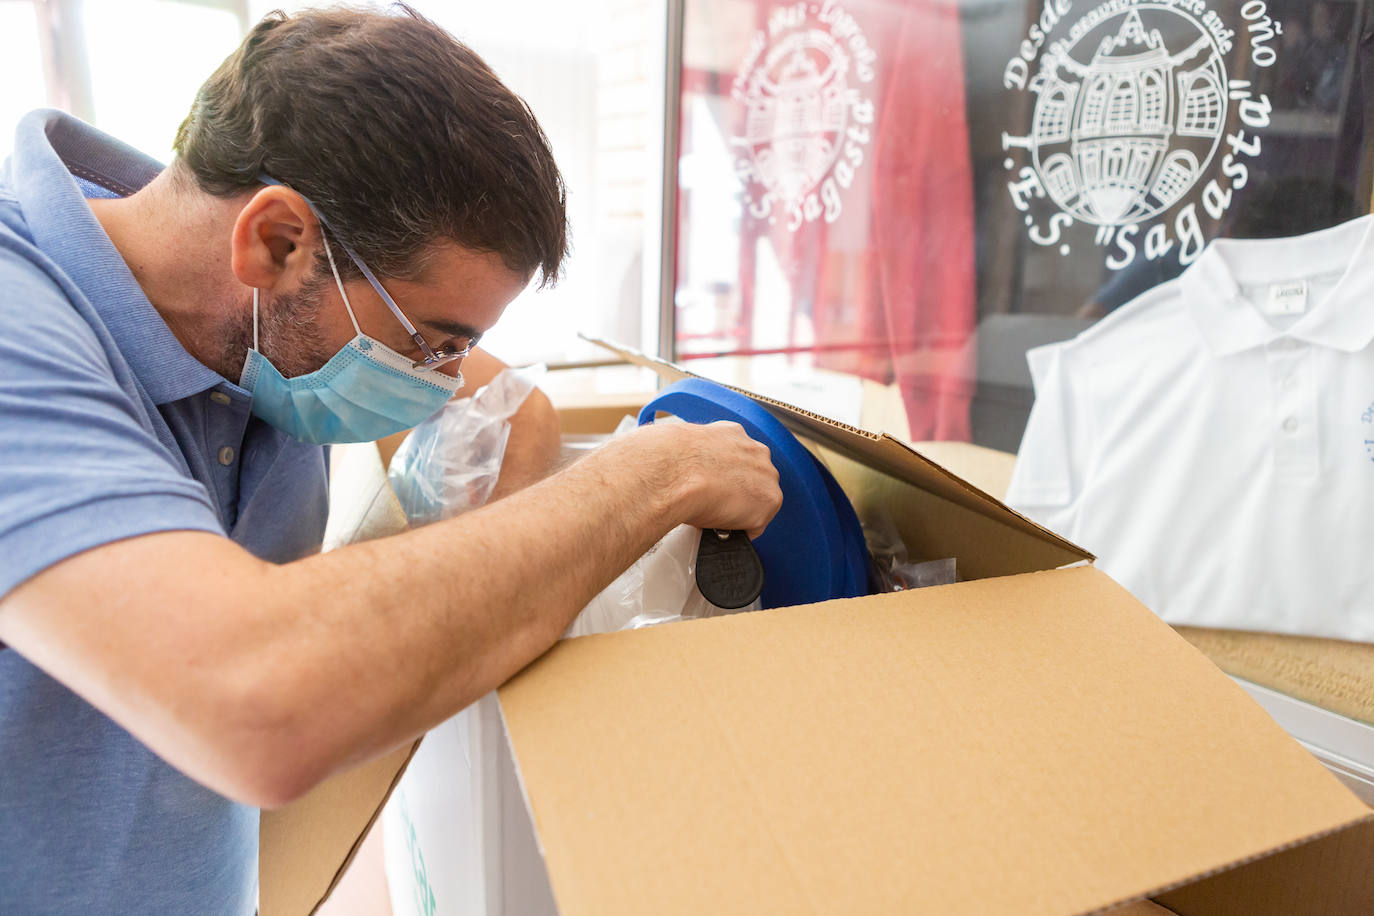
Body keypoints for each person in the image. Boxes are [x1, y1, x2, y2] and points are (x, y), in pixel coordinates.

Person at [0, 6, 782, 913]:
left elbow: (513, 411)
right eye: (433, 342)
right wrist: (648, 477)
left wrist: (479, 600)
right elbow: (254, 704)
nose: (441, 379)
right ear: (278, 242)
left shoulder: (240, 316)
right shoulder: (25, 334)